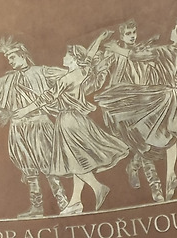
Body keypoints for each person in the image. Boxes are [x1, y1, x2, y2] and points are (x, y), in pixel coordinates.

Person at [10, 34, 129, 215]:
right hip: (78, 119)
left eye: (67, 55)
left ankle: (98, 187)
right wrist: (99, 39)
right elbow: (88, 57)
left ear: (74, 59)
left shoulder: (66, 79)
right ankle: (75, 202)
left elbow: (46, 97)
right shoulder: (81, 72)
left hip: (67, 121)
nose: (63, 57)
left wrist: (25, 110)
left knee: (74, 161)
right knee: (77, 160)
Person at [97, 18, 177, 200]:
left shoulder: (145, 50)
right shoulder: (114, 55)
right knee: (144, 144)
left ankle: (141, 169)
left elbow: (145, 58)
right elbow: (100, 75)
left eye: (133, 33)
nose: (132, 36)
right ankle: (155, 188)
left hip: (148, 102)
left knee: (153, 139)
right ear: (121, 35)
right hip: (126, 106)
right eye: (128, 34)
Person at [0, 38, 69, 218]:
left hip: (39, 125)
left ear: (23, 55)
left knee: (48, 164)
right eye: (8, 58)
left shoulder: (41, 71)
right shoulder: (8, 80)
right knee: (28, 167)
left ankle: (63, 203)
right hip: (18, 128)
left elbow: (67, 78)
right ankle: (37, 207)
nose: (10, 61)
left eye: (12, 57)